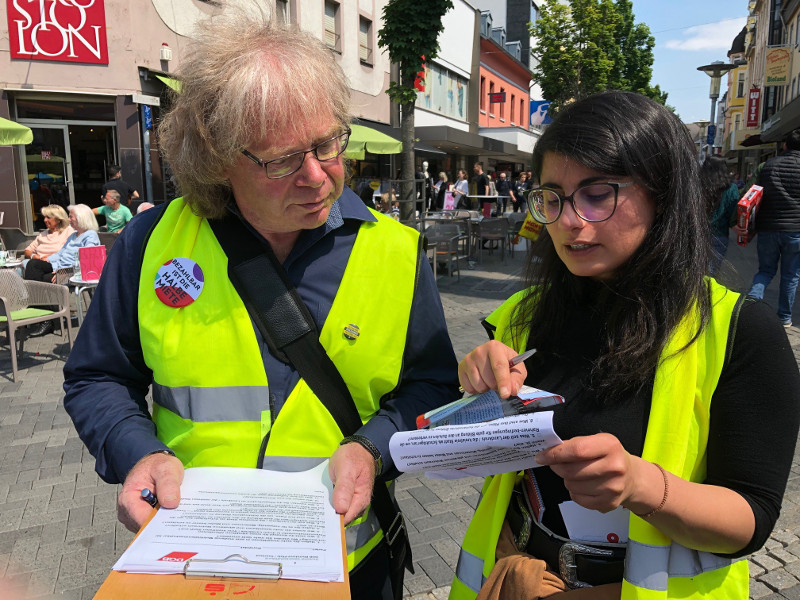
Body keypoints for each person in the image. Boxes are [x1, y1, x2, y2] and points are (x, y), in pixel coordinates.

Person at [62, 14, 459, 600]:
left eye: (328, 144)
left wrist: (372, 449)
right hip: (191, 560)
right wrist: (137, 453)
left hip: (352, 565)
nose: (318, 176)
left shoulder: (396, 253)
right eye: (282, 160)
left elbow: (430, 386)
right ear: (217, 157)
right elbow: (97, 377)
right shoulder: (150, 246)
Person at [450, 91, 800, 600]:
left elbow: (751, 519)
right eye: (553, 195)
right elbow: (497, 454)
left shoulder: (741, 332)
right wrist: (475, 391)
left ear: (663, 195)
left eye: (597, 194)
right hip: (518, 577)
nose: (570, 220)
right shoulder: (523, 316)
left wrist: (641, 485)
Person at [737, 129, 800, 327]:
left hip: (768, 227)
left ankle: (752, 311)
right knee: (791, 275)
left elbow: (752, 195)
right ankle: (784, 317)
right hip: (796, 229)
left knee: (765, 271)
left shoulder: (768, 166)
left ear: (785, 145)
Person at [24, 204, 100, 336]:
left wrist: (64, 272)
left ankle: (44, 319)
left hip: (73, 273)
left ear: (81, 218)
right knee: (33, 265)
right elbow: (61, 254)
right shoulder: (74, 235)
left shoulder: (90, 236)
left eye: (71, 217)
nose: (68, 220)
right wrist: (47, 259)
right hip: (58, 266)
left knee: (41, 280)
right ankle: (42, 313)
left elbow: (88, 262)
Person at [702, 155, 740, 273]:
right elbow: (734, 213)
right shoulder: (731, 188)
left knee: (694, 270)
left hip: (697, 233)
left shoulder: (697, 185)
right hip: (720, 234)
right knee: (711, 272)